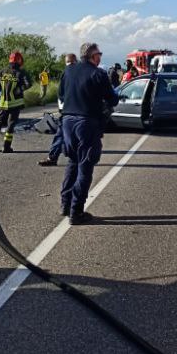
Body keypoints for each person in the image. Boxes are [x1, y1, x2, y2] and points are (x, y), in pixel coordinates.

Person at [59, 42, 119, 224]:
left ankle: (65, 204)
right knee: (85, 166)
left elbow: (61, 95)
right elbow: (112, 98)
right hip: (86, 123)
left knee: (72, 161)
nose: (100, 56)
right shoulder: (98, 73)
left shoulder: (68, 71)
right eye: (99, 53)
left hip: (67, 121)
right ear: (93, 56)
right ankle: (76, 212)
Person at [0, 51, 32, 153]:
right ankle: (6, 147)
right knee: (10, 125)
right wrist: (19, 89)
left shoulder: (2, 71)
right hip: (15, 104)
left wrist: (0, 89)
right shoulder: (21, 73)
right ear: (20, 61)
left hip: (2, 103)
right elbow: (28, 84)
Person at [38, 53, 77, 167]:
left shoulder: (66, 72)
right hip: (81, 111)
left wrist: (63, 105)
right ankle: (58, 156)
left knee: (61, 134)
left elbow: (60, 93)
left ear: (67, 62)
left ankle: (53, 157)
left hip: (68, 110)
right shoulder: (82, 71)